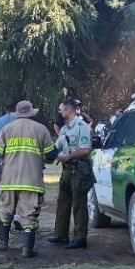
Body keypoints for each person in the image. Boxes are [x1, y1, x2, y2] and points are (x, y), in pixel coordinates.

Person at [0, 100, 58, 258]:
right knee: (29, 215)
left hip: (8, 179)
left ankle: (2, 243)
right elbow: (51, 155)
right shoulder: (41, 130)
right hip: (31, 181)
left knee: (5, 211)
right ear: (31, 113)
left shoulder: (6, 129)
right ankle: (27, 249)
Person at [48, 99, 95, 250]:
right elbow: (57, 147)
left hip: (80, 169)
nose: (59, 113)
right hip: (67, 169)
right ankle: (60, 234)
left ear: (68, 110)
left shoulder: (82, 127)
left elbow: (85, 149)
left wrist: (68, 157)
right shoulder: (64, 129)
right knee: (63, 201)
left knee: (79, 203)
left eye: (61, 110)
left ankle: (80, 238)